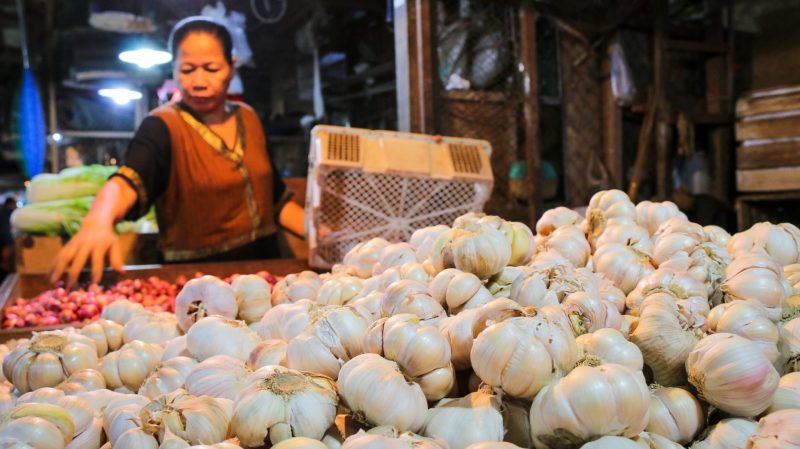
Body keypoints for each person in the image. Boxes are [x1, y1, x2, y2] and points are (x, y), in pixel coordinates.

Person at [50, 16, 305, 286]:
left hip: (263, 276)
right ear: (173, 70)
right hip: (198, 285)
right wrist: (98, 219)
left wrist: (323, 235)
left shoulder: (249, 118)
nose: (198, 81)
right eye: (187, 69)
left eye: (211, 68)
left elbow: (276, 200)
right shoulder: (162, 126)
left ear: (231, 67)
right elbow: (128, 182)